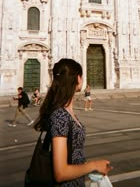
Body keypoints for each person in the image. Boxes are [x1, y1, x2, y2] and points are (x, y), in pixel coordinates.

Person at [34, 58, 112, 186]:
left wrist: (86, 167)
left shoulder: (66, 112)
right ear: (78, 79)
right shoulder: (60, 115)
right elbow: (61, 173)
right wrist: (94, 165)